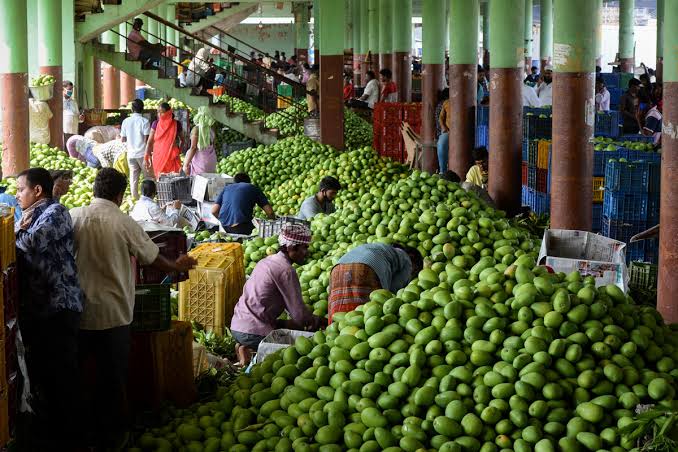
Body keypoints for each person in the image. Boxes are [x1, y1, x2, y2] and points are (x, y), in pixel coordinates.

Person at [71, 168, 196, 450]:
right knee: (113, 380)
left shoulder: (74, 216)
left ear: (94, 189)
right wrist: (177, 266)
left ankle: (82, 435)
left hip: (80, 313)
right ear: (120, 194)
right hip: (114, 315)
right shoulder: (123, 222)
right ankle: (115, 437)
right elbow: (153, 258)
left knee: (81, 377)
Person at [14, 168, 83, 450]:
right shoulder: (31, 216)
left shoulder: (55, 213)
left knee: (62, 377)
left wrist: (16, 232)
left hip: (59, 307)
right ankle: (55, 436)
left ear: (38, 190)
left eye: (20, 189)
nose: (18, 195)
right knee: (44, 377)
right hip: (41, 310)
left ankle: (74, 440)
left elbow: (30, 244)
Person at [230, 223, 323, 364]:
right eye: (305, 247)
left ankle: (244, 352)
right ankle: (250, 353)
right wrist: (320, 321)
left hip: (237, 325)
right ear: (291, 248)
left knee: (289, 325)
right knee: (293, 357)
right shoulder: (286, 270)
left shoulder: (266, 261)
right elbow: (300, 315)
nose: (307, 252)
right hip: (253, 331)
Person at [328, 243, 423, 322]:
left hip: (337, 269)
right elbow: (392, 294)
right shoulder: (407, 259)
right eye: (415, 272)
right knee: (366, 317)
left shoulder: (379, 248)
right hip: (366, 267)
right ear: (413, 259)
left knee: (340, 318)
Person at [121, 99, 151, 200]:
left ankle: (135, 197)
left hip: (131, 154)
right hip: (142, 154)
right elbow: (147, 140)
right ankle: (148, 197)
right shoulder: (145, 121)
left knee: (133, 177)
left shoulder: (126, 121)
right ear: (142, 109)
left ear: (132, 109)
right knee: (147, 177)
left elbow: (123, 139)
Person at [145, 102, 184, 179]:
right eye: (158, 112)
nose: (159, 114)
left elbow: (182, 139)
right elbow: (149, 142)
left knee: (174, 179)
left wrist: (178, 150)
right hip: (158, 156)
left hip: (172, 157)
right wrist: (146, 155)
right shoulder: (155, 124)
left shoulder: (176, 124)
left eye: (161, 112)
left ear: (168, 112)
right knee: (160, 179)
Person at [183, 106, 218, 176]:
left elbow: (193, 148)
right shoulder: (211, 130)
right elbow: (214, 145)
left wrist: (186, 165)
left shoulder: (196, 129)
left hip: (201, 162)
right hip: (211, 161)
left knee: (199, 183)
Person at [63, 80, 84, 145]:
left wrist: (81, 118)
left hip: (74, 131)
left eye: (72, 89)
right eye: (69, 89)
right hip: (64, 132)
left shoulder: (74, 102)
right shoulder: (59, 102)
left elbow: (78, 117)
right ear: (63, 89)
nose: (71, 91)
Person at [437, 96, 450, 173]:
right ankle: (443, 171)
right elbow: (441, 117)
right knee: (441, 144)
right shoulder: (446, 102)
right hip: (448, 131)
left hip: (463, 133)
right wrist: (443, 127)